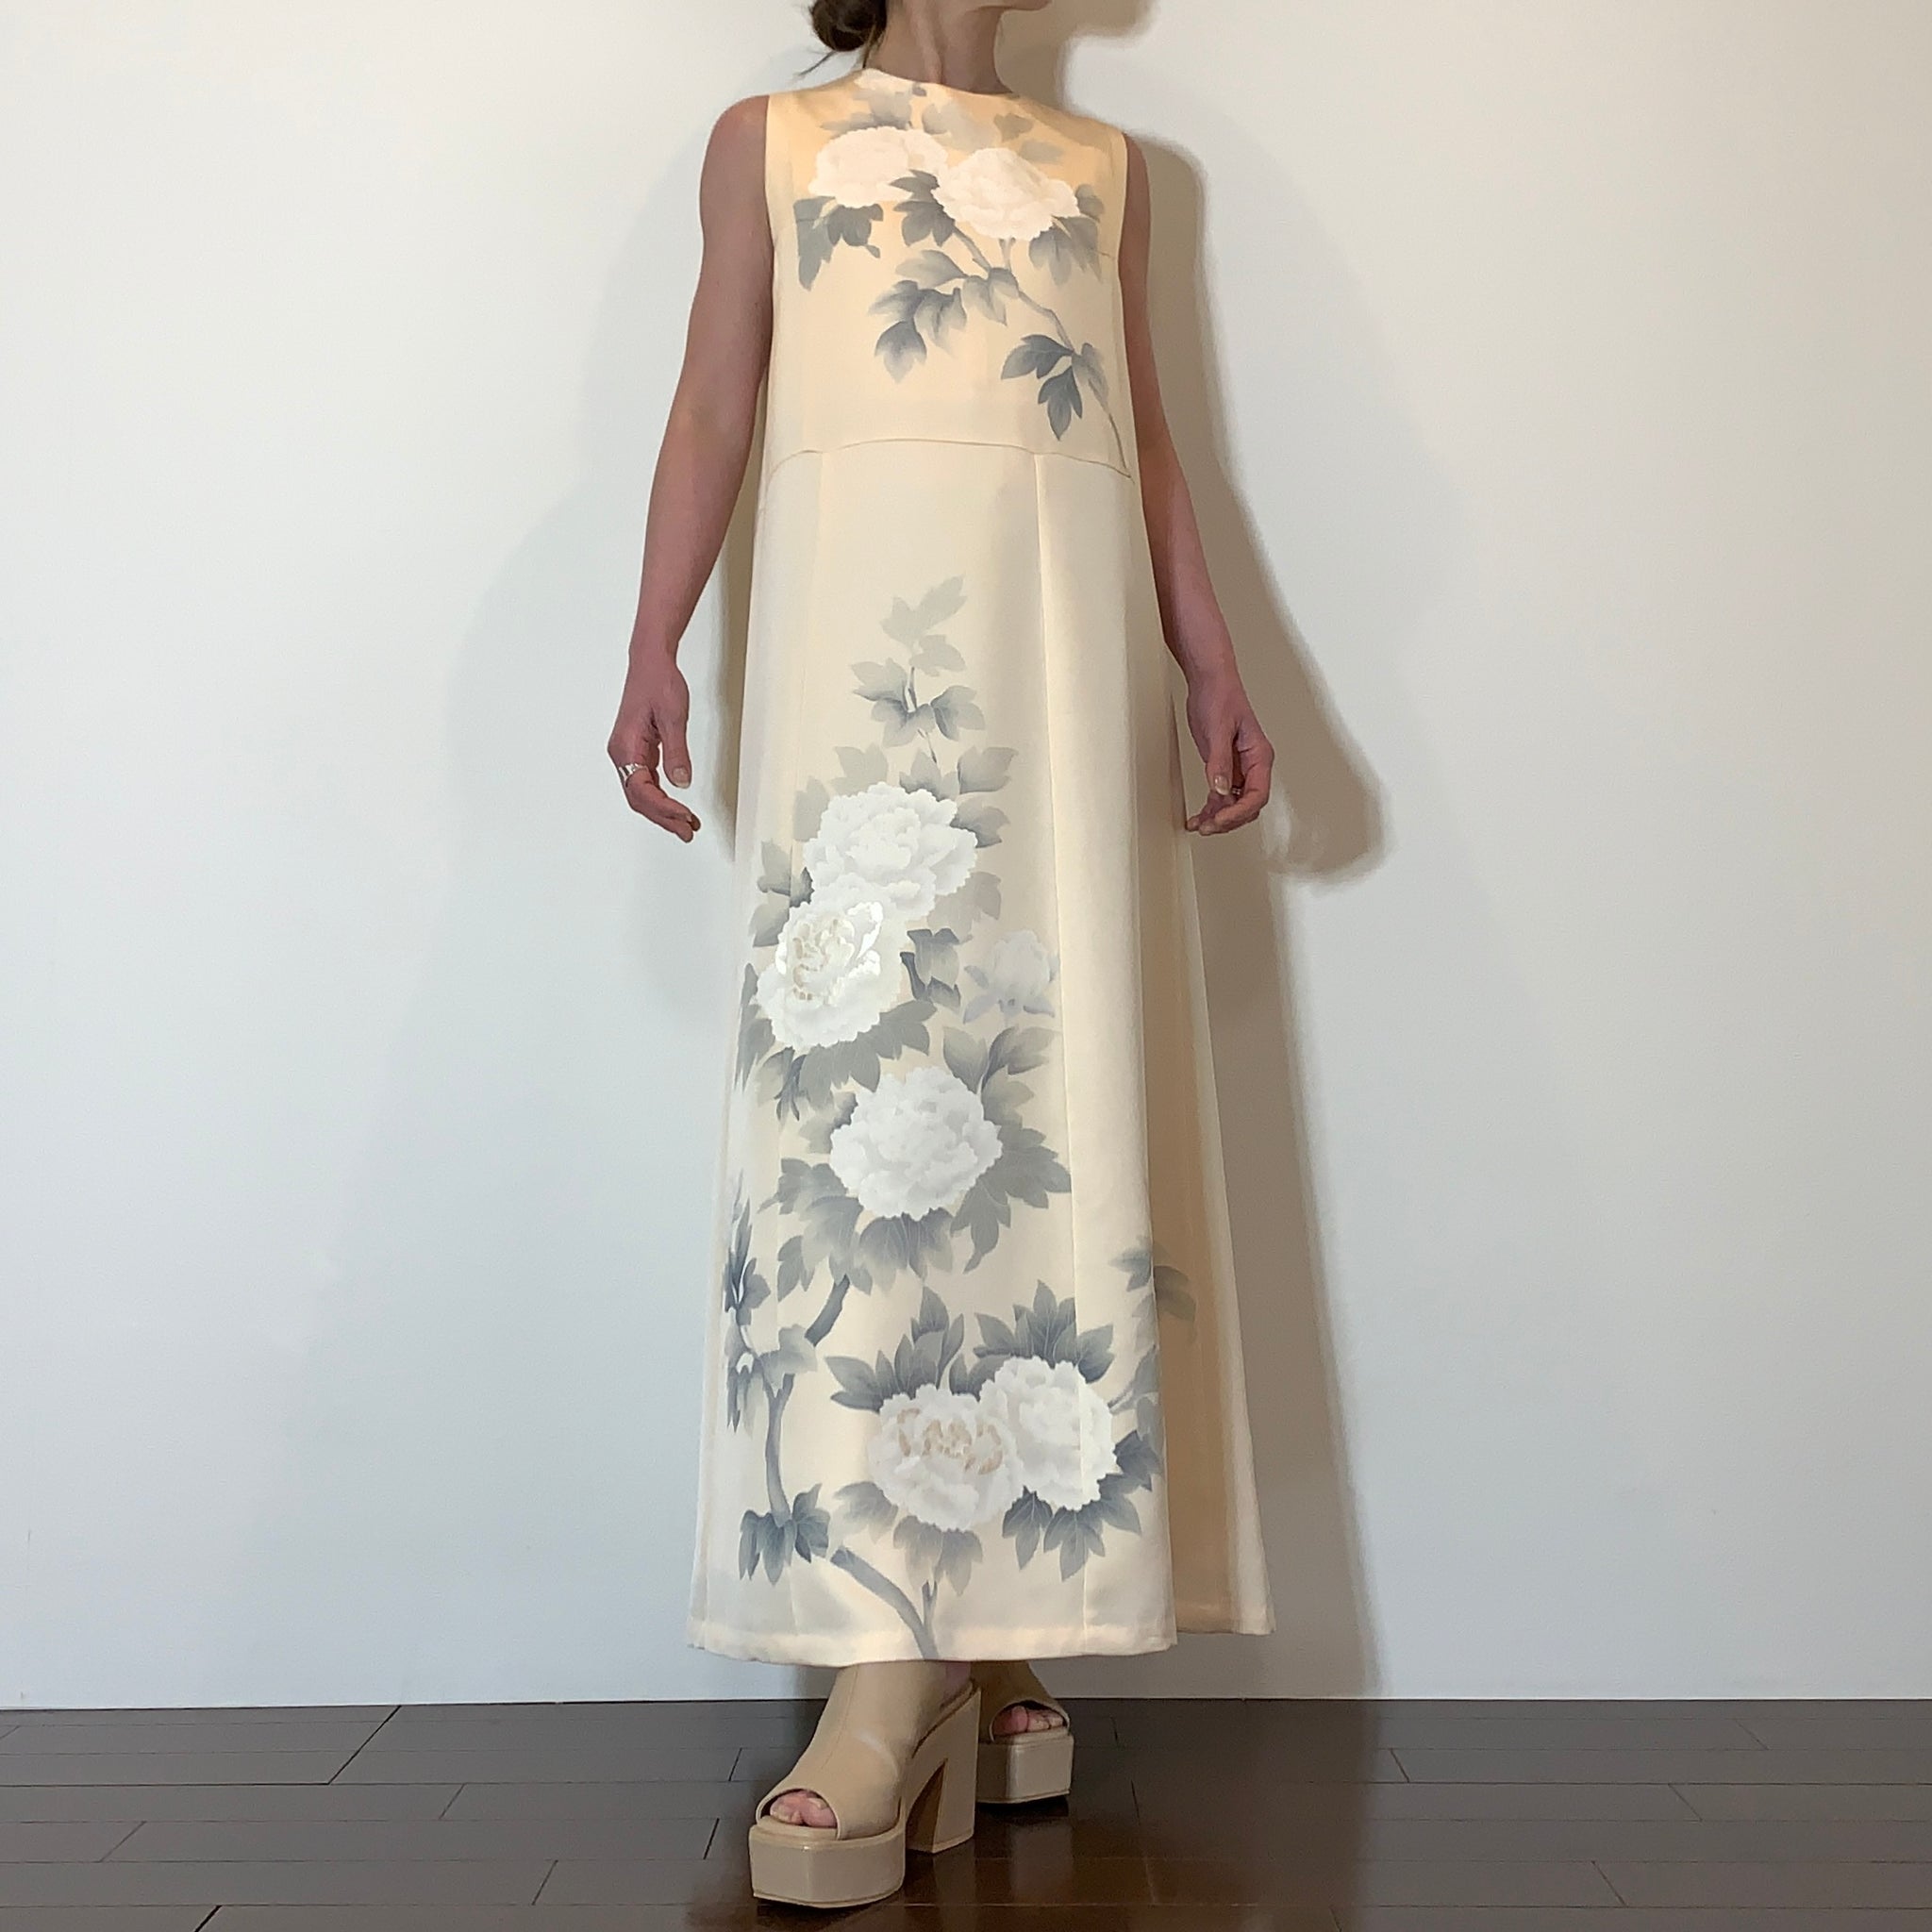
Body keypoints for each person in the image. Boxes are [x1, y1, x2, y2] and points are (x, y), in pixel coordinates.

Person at [608, 0, 1275, 1907]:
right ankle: (895, 1644)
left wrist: (1209, 654)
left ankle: (993, 1624)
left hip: (1061, 661)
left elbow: (1145, 433)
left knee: (1034, 1087)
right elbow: (715, 403)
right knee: (878, 1106)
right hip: (860, 659)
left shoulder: (1107, 169)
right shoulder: (772, 141)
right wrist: (653, 640)